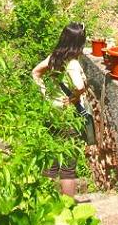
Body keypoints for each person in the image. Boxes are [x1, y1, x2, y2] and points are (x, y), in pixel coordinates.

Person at [31, 22, 91, 198]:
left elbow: (35, 72)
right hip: (69, 118)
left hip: (52, 113)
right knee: (67, 168)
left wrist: (45, 94)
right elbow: (79, 86)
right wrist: (74, 97)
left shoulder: (54, 57)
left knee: (50, 162)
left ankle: (45, 203)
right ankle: (67, 209)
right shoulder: (72, 63)